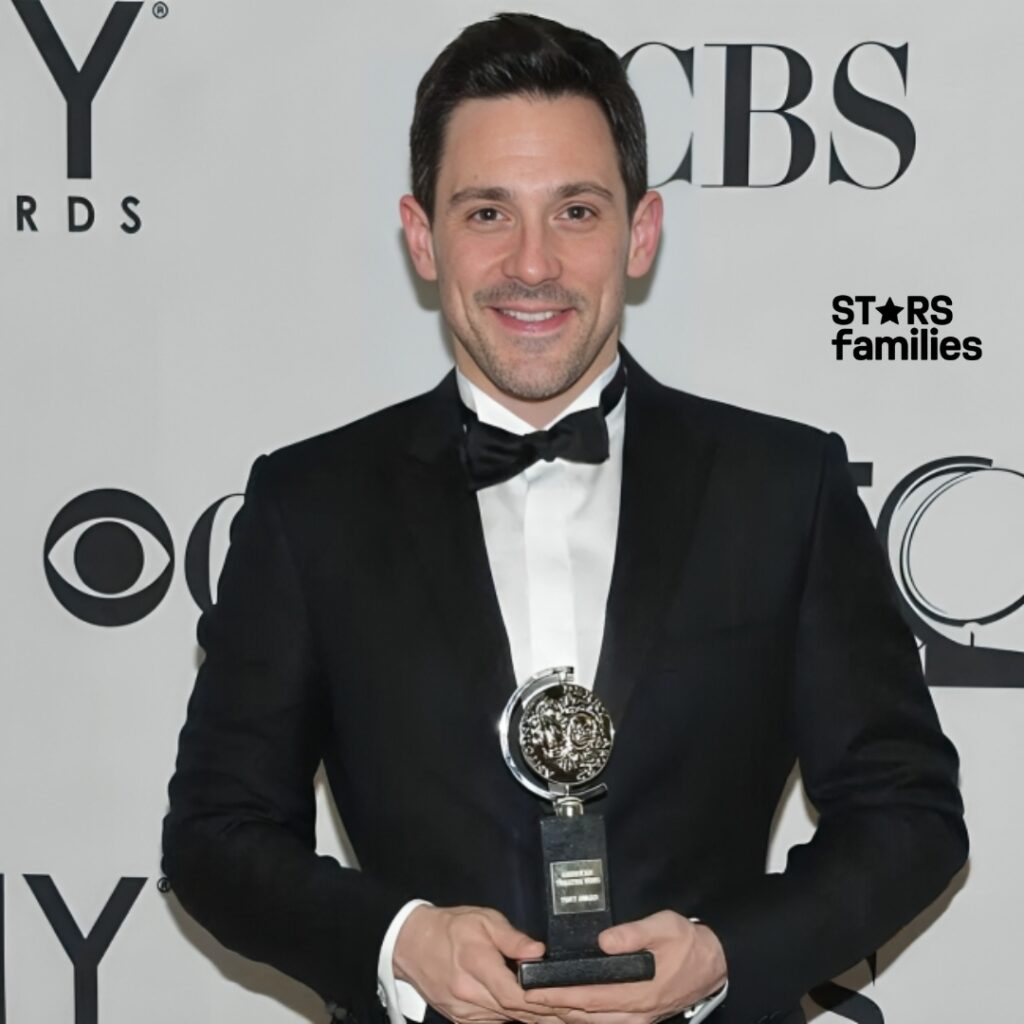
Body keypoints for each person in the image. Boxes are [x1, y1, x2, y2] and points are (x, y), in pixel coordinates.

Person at [161, 13, 967, 1024]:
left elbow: (907, 815)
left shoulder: (782, 486)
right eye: (487, 212)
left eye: (575, 211)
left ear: (640, 234)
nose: (532, 264)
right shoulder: (307, 505)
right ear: (423, 236)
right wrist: (399, 939)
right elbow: (216, 834)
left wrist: (722, 955)